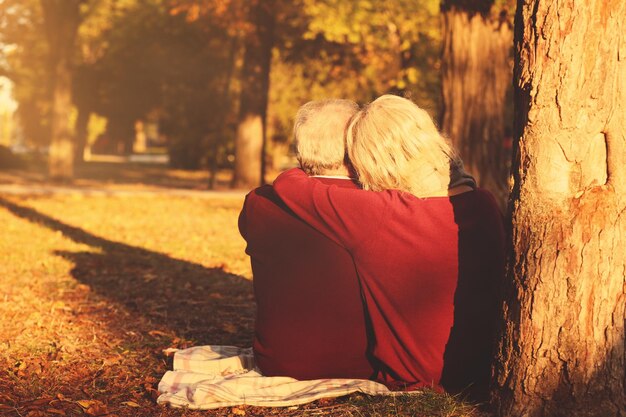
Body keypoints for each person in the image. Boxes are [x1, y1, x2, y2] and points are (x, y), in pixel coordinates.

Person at [273, 95, 505, 399]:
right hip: (484, 369)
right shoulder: (484, 205)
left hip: (419, 378)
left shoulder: (380, 213)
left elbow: (290, 185)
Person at [238, 99, 375, 380]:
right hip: (364, 364)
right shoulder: (377, 206)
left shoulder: (258, 203)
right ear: (357, 147)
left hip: (279, 363)